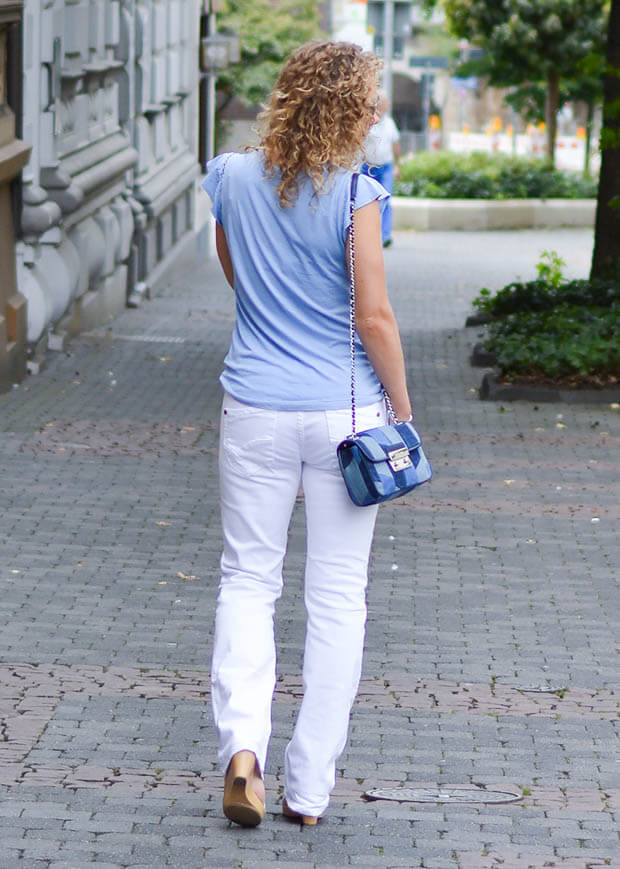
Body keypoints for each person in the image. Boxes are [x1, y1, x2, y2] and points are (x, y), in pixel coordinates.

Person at [202, 41, 413, 828]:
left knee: (248, 579)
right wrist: (404, 406)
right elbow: (374, 315)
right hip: (345, 415)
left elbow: (237, 274)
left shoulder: (228, 177)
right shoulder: (357, 194)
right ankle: (309, 789)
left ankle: (242, 750)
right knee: (336, 597)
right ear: (355, 108)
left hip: (252, 403)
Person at [361, 91, 401, 247]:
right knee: (365, 202)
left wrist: (398, 165)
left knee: (386, 199)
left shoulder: (390, 124)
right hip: (367, 166)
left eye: (386, 103)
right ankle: (367, 235)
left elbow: (396, 146)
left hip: (385, 166)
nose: (385, 105)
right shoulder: (369, 121)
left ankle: (384, 236)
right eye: (382, 102)